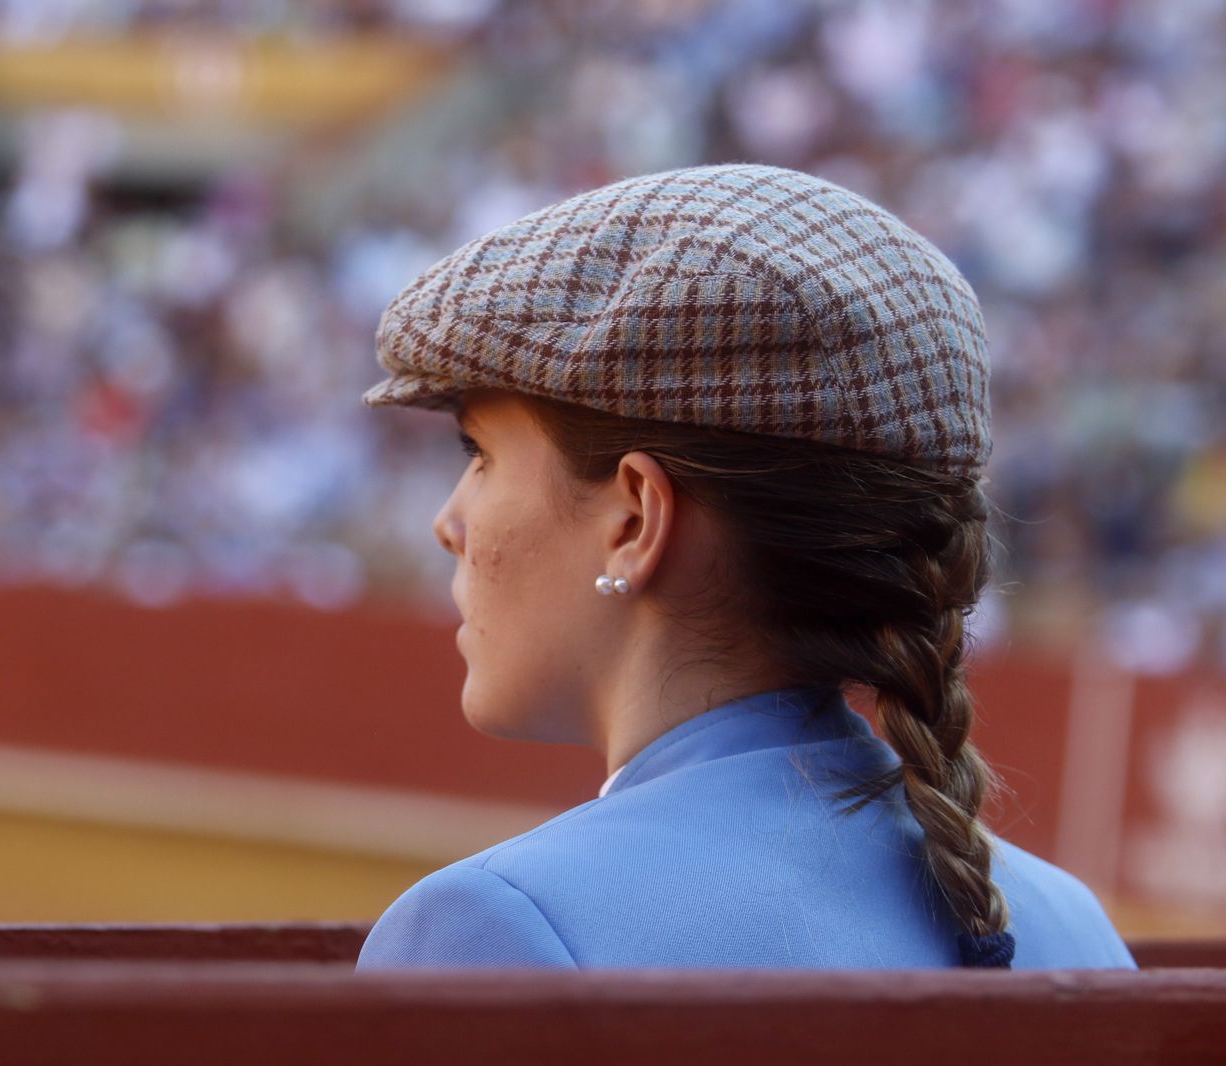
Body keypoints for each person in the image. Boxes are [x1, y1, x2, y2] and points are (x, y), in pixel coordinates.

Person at [353, 164, 1135, 970]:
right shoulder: (1072, 930)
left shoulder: (495, 930)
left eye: (479, 454)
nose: (449, 522)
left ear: (634, 518)